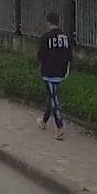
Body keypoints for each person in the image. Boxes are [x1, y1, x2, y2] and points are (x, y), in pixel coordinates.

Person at [37, 11, 73, 140]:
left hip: (49, 72)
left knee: (54, 99)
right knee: (51, 96)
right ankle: (44, 121)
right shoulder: (66, 37)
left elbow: (41, 56)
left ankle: (60, 127)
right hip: (61, 72)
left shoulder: (46, 37)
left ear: (48, 22)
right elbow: (69, 56)